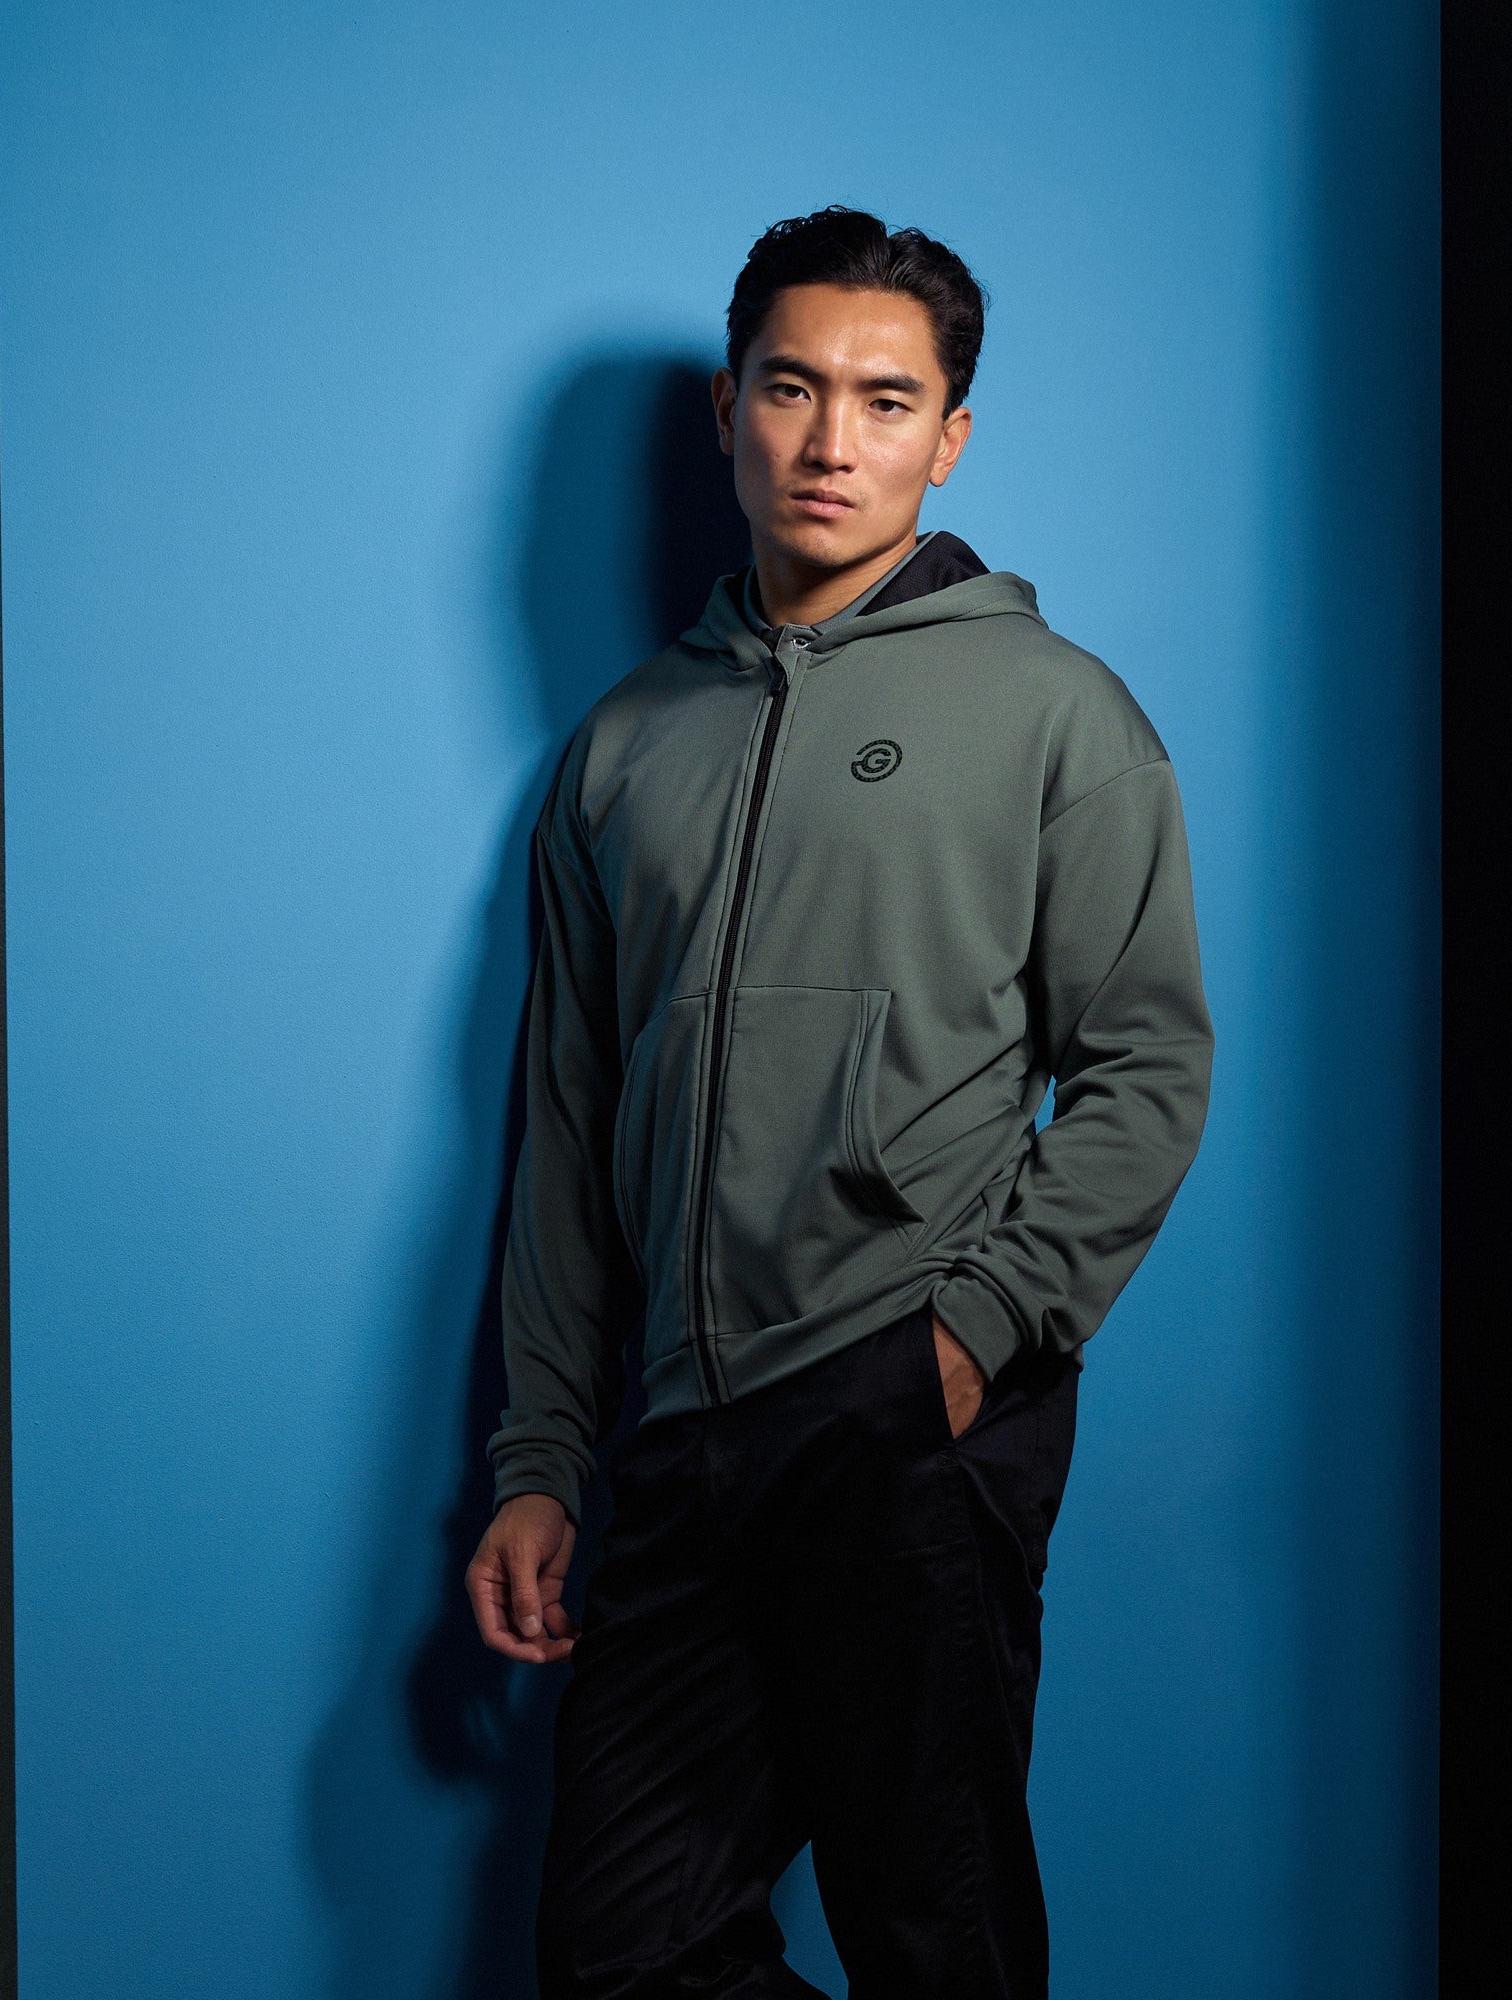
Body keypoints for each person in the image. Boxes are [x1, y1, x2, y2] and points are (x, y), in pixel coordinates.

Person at [466, 206, 1214, 1999]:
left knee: (934, 1942)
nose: (830, 441)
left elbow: (1148, 1064)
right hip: (679, 1435)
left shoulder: (1056, 714)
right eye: (793, 388)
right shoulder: (624, 744)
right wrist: (541, 1457)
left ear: (948, 437)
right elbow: (568, 1127)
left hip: (905, 1406)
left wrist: (970, 1338)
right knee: (621, 1953)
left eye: (886, 401)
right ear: (728, 407)